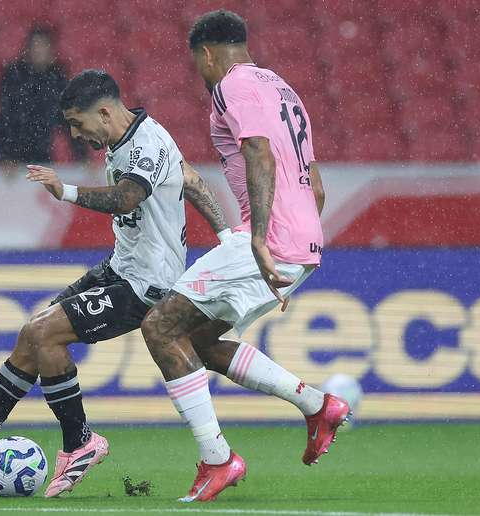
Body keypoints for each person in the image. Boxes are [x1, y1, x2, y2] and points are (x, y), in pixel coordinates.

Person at [0, 69, 232, 498]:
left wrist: (64, 190)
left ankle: (80, 442)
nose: (74, 133)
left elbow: (125, 198)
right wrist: (227, 235)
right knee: (33, 332)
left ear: (103, 112)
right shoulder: (128, 139)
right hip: (121, 267)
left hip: (147, 286)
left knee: (47, 334)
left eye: (76, 123)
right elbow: (191, 179)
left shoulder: (145, 145)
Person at [139, 10, 351, 502]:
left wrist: (259, 240)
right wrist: (291, 258)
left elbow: (257, 151)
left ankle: (218, 460)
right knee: (197, 339)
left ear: (207, 54)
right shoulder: (284, 91)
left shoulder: (232, 86)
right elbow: (315, 186)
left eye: (199, 65)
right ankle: (319, 406)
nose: (201, 75)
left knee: (160, 327)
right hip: (302, 245)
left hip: (267, 239)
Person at [0, 26, 86, 166]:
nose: (39, 50)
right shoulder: (14, 76)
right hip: (10, 154)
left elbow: (69, 120)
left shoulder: (57, 79)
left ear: (51, 51)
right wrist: (5, 156)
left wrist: (82, 157)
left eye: (43, 45)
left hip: (40, 153)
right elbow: (5, 118)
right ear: (27, 50)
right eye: (35, 45)